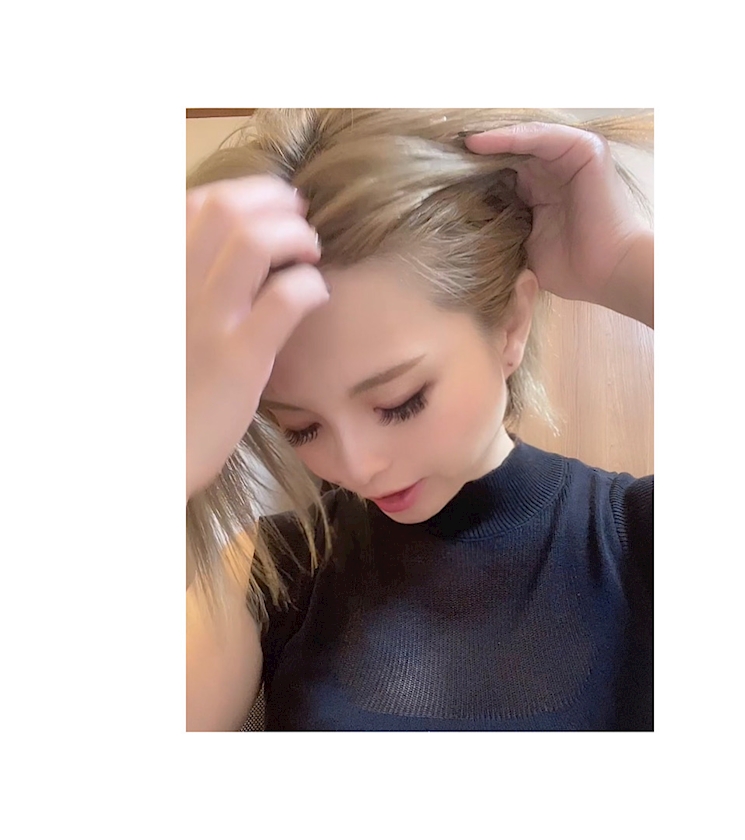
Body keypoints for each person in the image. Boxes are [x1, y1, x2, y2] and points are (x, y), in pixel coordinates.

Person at [186, 109, 654, 731]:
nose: (356, 468)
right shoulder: (270, 565)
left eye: (399, 401)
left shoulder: (637, 538)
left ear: (511, 326)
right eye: (301, 427)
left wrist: (627, 266)